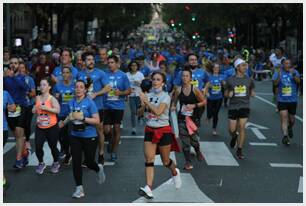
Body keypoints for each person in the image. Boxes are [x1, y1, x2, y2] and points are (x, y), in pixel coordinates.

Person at [138, 71, 181, 199]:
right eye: (154, 79)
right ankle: (149, 187)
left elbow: (158, 112)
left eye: (158, 79)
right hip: (150, 130)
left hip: (163, 130)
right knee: (149, 159)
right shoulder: (148, 95)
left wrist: (147, 101)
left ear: (163, 83)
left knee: (165, 161)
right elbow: (140, 113)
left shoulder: (166, 97)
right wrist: (142, 103)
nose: (155, 82)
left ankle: (174, 171)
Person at [59, 80, 105, 198]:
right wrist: (63, 123)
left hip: (89, 136)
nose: (78, 89)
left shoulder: (90, 103)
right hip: (75, 136)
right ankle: (79, 188)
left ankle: (98, 169)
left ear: (85, 90)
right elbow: (71, 116)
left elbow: (97, 120)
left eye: (81, 87)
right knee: (76, 162)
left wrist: (84, 118)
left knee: (89, 162)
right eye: (77, 87)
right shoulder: (71, 102)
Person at [77, 51, 111, 166]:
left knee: (99, 130)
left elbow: (108, 87)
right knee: (85, 132)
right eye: (88, 60)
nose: (91, 61)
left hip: (98, 106)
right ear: (84, 62)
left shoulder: (100, 73)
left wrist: (96, 94)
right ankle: (87, 157)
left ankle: (101, 153)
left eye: (92, 59)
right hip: (84, 107)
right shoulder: (80, 74)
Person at [171, 67, 206, 170]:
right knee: (185, 142)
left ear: (190, 78)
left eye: (187, 76)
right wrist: (173, 106)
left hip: (193, 119)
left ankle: (197, 150)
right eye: (183, 76)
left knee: (194, 140)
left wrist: (194, 106)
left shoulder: (195, 90)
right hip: (182, 118)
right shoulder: (178, 90)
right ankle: (188, 162)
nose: (185, 78)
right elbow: (175, 100)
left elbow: (204, 102)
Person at [224, 58, 255, 159]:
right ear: (237, 67)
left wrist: (252, 93)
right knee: (232, 129)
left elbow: (252, 89)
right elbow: (225, 93)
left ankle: (240, 149)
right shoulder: (230, 80)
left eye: (245, 65)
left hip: (244, 106)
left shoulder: (249, 79)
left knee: (242, 127)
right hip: (233, 107)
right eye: (243, 65)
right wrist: (229, 94)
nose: (245, 67)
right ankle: (234, 136)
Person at [104, 55, 131, 162]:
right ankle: (111, 141)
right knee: (106, 130)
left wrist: (120, 93)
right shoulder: (104, 75)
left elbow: (128, 90)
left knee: (116, 128)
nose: (110, 64)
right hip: (106, 105)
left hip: (118, 106)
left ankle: (114, 151)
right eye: (109, 62)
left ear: (116, 64)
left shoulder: (123, 75)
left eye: (112, 62)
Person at [4, 57, 30, 168]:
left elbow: (26, 88)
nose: (13, 65)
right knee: (16, 134)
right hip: (9, 108)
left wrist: (14, 77)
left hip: (21, 107)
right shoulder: (5, 78)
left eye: (16, 63)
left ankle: (18, 159)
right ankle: (24, 154)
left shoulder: (21, 77)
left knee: (19, 132)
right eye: (11, 63)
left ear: (19, 65)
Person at [32, 78, 61, 174]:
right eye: (41, 85)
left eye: (44, 85)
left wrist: (47, 108)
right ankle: (41, 163)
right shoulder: (38, 97)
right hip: (40, 126)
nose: (42, 87)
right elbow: (35, 107)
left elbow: (57, 110)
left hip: (52, 126)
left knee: (53, 146)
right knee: (38, 145)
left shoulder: (52, 98)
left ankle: (56, 162)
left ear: (49, 87)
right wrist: (34, 109)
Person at [272, 59, 300, 145]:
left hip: (292, 100)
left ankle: (290, 127)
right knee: (284, 118)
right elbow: (275, 84)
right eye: (285, 63)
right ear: (283, 65)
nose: (287, 65)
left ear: (291, 64)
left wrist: (294, 74)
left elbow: (299, 81)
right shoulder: (278, 72)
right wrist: (279, 76)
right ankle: (285, 136)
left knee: (292, 120)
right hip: (282, 100)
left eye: (288, 63)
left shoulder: (295, 72)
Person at [54, 67, 75, 164]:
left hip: (71, 115)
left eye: (67, 72)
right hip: (61, 113)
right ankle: (66, 151)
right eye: (64, 73)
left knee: (69, 135)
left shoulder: (75, 85)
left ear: (70, 74)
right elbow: (55, 100)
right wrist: (56, 98)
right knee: (61, 135)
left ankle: (68, 153)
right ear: (61, 74)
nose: (65, 74)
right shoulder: (58, 86)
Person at [18, 62, 36, 151]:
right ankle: (21, 140)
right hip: (19, 105)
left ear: (25, 69)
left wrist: (26, 93)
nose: (21, 70)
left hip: (29, 105)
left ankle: (27, 140)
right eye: (19, 68)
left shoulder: (30, 79)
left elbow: (34, 93)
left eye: (23, 68)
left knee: (27, 124)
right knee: (20, 125)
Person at [204, 63, 226, 135]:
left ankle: (214, 128)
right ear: (213, 69)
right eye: (215, 68)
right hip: (210, 98)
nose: (216, 69)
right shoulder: (209, 77)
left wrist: (224, 84)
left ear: (219, 69)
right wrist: (206, 93)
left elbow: (225, 85)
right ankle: (208, 116)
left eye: (218, 68)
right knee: (210, 112)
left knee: (216, 113)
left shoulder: (222, 77)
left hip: (219, 98)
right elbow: (206, 88)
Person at [126, 61, 145, 135]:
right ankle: (133, 128)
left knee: (139, 110)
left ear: (137, 67)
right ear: (130, 66)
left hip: (139, 95)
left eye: (135, 65)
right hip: (130, 95)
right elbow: (124, 84)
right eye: (132, 65)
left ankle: (140, 117)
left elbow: (144, 85)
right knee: (133, 112)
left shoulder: (140, 74)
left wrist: (139, 84)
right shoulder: (126, 75)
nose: (134, 67)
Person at [3, 90, 16, 190]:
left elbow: (14, 108)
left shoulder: (5, 94)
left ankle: (3, 182)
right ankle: (3, 182)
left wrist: (9, 107)